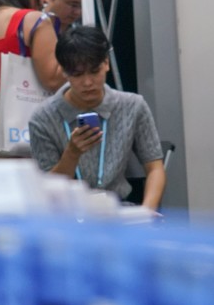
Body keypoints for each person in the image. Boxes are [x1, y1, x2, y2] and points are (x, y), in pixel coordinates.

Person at [29, 26, 166, 210]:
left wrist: (146, 212)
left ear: (107, 63)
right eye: (77, 74)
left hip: (119, 208)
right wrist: (72, 154)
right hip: (68, 213)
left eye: (95, 71)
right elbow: (48, 188)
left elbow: (155, 167)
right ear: (63, 71)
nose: (87, 82)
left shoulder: (133, 106)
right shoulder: (42, 118)